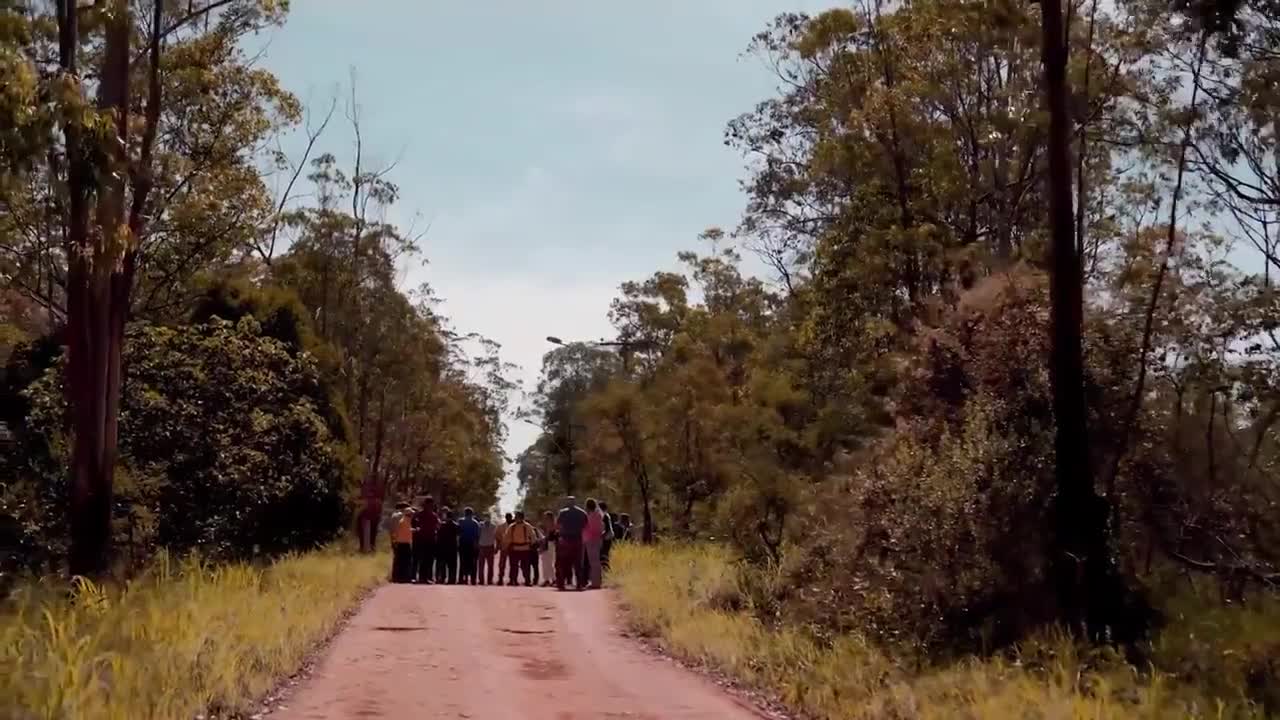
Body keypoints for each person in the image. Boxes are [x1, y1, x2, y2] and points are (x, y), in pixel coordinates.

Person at [555, 496, 588, 591]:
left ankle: (561, 584)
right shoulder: (582, 513)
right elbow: (585, 525)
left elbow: (558, 525)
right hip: (577, 539)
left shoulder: (562, 512)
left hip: (565, 539)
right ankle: (579, 584)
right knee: (578, 563)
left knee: (563, 562)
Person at [505, 510, 538, 586]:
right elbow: (507, 537)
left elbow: (533, 537)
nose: (516, 518)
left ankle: (527, 580)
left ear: (522, 518)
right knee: (513, 566)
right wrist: (506, 546)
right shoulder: (512, 527)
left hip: (525, 549)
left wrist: (533, 545)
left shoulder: (527, 526)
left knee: (526, 566)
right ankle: (513, 580)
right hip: (515, 549)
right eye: (516, 517)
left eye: (518, 517)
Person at [413, 495, 439, 584]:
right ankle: (424, 577)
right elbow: (437, 527)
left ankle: (425, 577)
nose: (430, 506)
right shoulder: (431, 515)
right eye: (430, 504)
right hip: (426, 539)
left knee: (427, 559)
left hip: (427, 539)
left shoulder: (422, 514)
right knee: (426, 559)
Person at [583, 498, 607, 589]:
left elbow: (589, 528)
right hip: (597, 539)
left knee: (593, 562)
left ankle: (595, 583)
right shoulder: (598, 515)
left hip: (591, 540)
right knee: (595, 561)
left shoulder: (592, 516)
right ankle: (597, 581)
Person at [390, 502, 415, 583]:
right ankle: (403, 577)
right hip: (402, 541)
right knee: (405, 560)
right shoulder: (402, 518)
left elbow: (393, 529)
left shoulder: (394, 515)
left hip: (396, 540)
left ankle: (396, 576)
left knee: (397, 559)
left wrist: (393, 540)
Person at [457, 507, 481, 585]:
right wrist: (476, 546)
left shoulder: (461, 521)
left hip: (463, 544)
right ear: (472, 514)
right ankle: (473, 579)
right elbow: (477, 536)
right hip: (472, 545)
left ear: (465, 513)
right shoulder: (475, 523)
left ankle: (462, 579)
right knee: (472, 563)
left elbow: (458, 533)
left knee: (462, 562)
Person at [435, 508, 459, 584]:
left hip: (443, 547)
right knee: (452, 565)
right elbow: (458, 536)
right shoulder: (456, 525)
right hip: (452, 547)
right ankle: (452, 579)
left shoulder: (442, 525)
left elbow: (438, 536)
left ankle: (442, 578)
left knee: (443, 564)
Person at [539, 510, 558, 587]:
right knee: (545, 562)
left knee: (549, 562)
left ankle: (553, 579)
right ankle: (546, 579)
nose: (545, 519)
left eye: (546, 517)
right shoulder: (546, 526)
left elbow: (550, 536)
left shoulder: (553, 525)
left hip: (550, 544)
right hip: (546, 544)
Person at [478, 516, 498, 585]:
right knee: (481, 565)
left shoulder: (494, 526)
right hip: (482, 547)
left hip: (490, 547)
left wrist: (496, 547)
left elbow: (496, 537)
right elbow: (478, 535)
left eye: (488, 518)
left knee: (490, 565)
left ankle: (489, 580)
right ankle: (481, 580)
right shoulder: (480, 526)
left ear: (490, 519)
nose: (487, 519)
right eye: (485, 518)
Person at [495, 512, 514, 585]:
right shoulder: (501, 527)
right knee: (502, 564)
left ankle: (512, 579)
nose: (508, 518)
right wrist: (497, 547)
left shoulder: (514, 526)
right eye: (507, 517)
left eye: (509, 517)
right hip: (504, 547)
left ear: (511, 517)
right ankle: (500, 579)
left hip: (513, 548)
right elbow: (497, 538)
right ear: (505, 518)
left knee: (512, 564)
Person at [599, 501, 616, 572]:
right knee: (604, 554)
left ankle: (606, 570)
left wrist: (602, 536)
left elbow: (607, 528)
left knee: (603, 554)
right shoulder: (606, 515)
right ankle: (605, 569)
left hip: (606, 537)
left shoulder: (605, 516)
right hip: (608, 536)